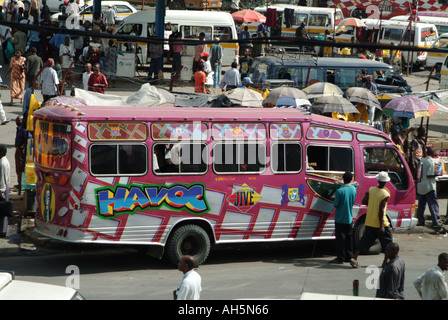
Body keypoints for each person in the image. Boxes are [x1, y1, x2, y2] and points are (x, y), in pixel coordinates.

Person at [350, 171, 392, 269]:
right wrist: (381, 226)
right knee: (388, 243)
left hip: (370, 222)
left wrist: (370, 199)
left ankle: (354, 258)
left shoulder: (371, 190)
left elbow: (364, 201)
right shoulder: (385, 193)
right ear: (386, 182)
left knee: (364, 241)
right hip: (381, 223)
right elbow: (381, 210)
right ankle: (385, 261)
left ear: (377, 180)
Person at [329, 171, 357, 264]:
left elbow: (336, 204)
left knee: (341, 239)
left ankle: (340, 258)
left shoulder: (339, 191)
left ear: (342, 179)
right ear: (351, 179)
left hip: (340, 218)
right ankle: (349, 256)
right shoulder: (353, 189)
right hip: (349, 218)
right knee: (349, 238)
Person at [416, 147, 441, 227]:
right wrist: (438, 174)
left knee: (421, 204)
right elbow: (429, 175)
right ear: (433, 153)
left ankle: (421, 220)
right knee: (433, 204)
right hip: (429, 186)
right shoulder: (430, 161)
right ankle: (435, 221)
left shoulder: (421, 161)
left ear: (426, 153)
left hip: (421, 186)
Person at [14, 115, 27, 194]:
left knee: (21, 167)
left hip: (21, 150)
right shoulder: (19, 129)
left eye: (19, 120)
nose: (17, 121)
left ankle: (21, 184)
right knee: (18, 167)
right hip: (18, 150)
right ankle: (19, 183)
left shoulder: (23, 130)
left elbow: (28, 138)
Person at [0, 145, 10, 238]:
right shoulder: (5, 161)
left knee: (2, 211)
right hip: (6, 187)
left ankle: (2, 231)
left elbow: (2, 179)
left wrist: (1, 191)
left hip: (2, 188)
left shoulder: (2, 163)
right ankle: (3, 229)